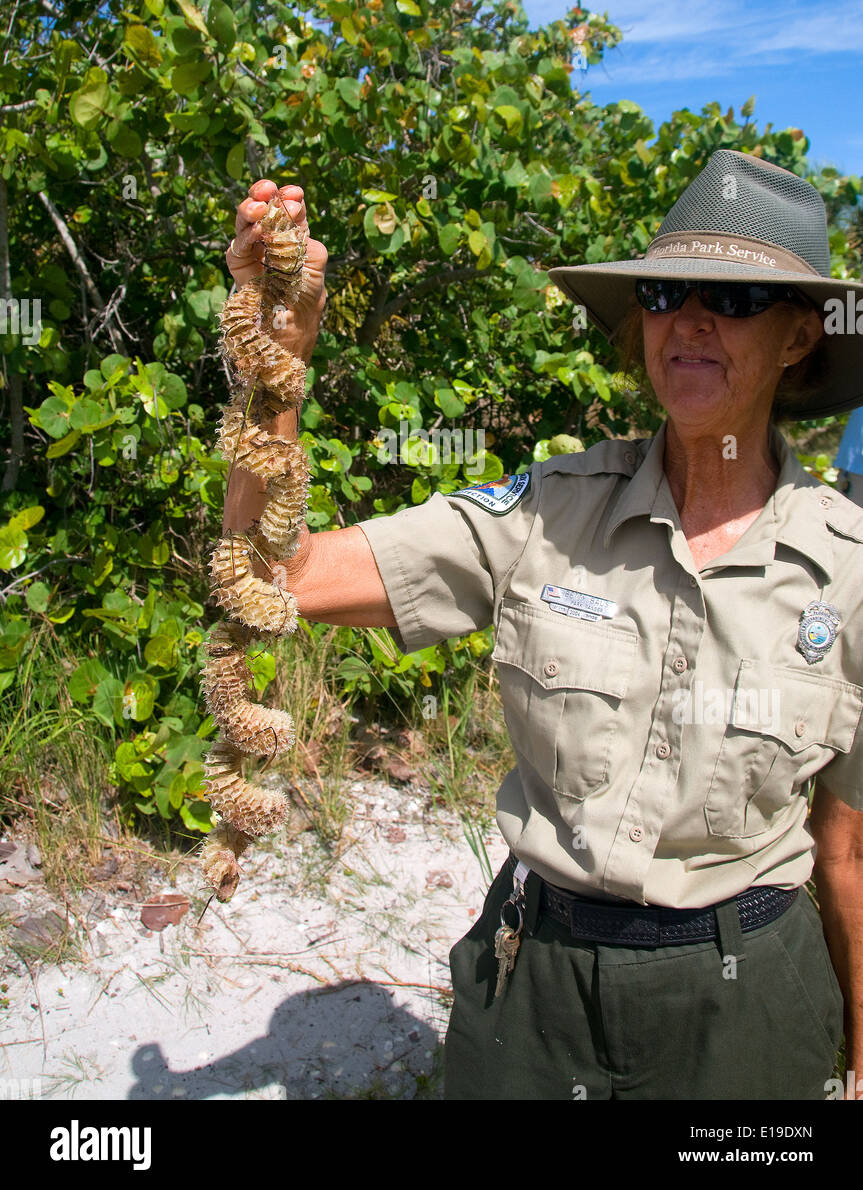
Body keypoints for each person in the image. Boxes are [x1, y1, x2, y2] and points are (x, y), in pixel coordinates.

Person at [223, 149, 863, 1101]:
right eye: (662, 289)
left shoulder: (848, 569)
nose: (687, 321)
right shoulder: (541, 513)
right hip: (535, 987)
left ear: (799, 338)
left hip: (747, 1006)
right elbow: (273, 576)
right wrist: (278, 362)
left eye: (732, 300)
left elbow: (847, 847)